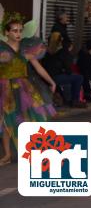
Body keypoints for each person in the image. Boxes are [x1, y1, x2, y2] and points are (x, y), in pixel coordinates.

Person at [0, 13, 56, 165]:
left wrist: (51, 81)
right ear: (6, 32)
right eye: (14, 30)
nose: (18, 34)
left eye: (20, 30)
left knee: (31, 119)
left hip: (24, 88)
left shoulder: (26, 48)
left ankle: (37, 150)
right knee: (6, 122)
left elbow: (38, 68)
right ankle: (7, 155)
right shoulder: (1, 48)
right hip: (4, 89)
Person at [42, 35, 86, 108]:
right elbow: (68, 70)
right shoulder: (62, 52)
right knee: (79, 78)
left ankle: (69, 99)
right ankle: (75, 100)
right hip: (53, 77)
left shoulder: (48, 50)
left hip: (46, 76)